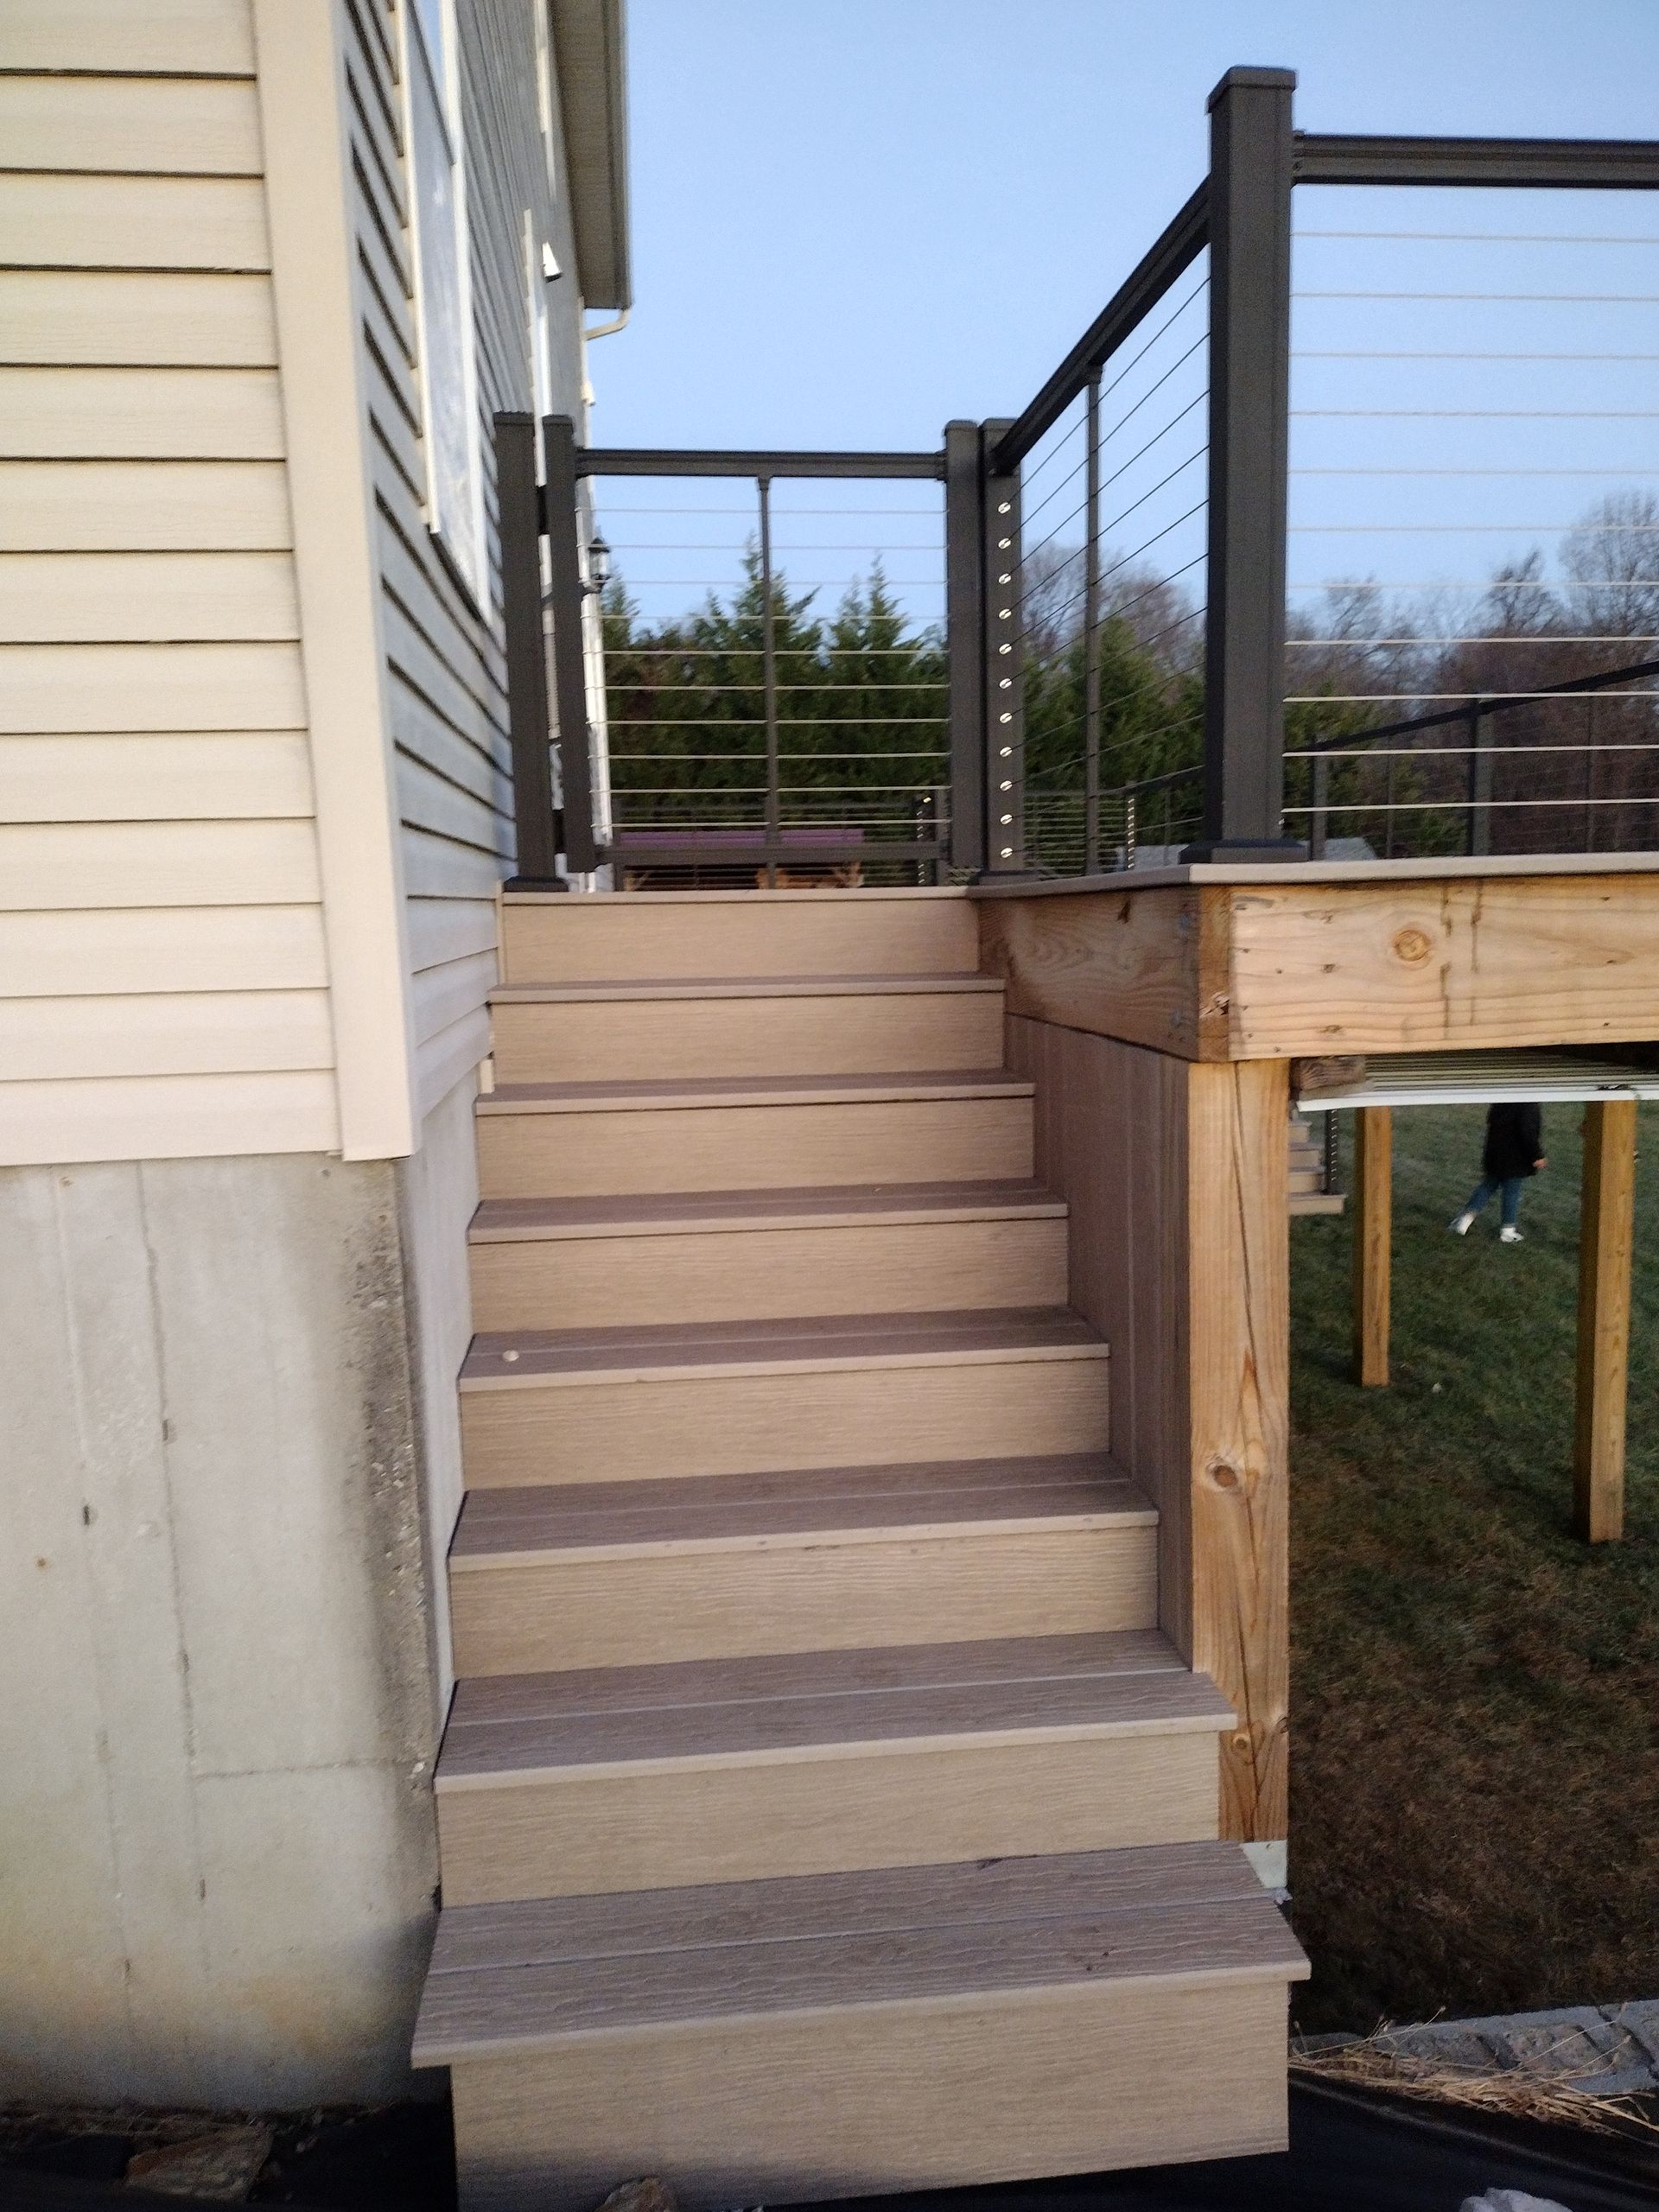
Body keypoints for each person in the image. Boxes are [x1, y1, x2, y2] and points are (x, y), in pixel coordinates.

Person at [1451, 1102, 1547, 1243]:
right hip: (1516, 1158)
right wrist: (1536, 1156)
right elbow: (1528, 1134)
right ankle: (1508, 1230)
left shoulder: (1501, 1102)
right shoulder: (1528, 1105)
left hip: (1495, 1154)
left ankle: (1464, 1220)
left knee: (1488, 1186)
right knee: (1512, 1192)